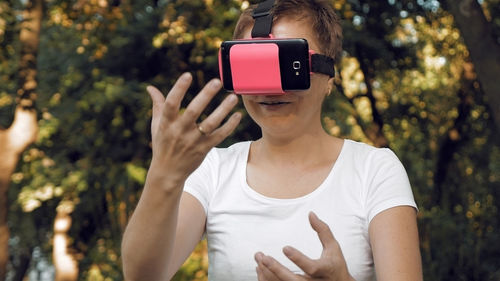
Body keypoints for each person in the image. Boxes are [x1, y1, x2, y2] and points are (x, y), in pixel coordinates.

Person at [121, 1, 423, 280]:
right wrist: (164, 173)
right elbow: (142, 277)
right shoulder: (212, 169)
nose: (271, 90)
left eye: (290, 64)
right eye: (254, 66)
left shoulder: (374, 170)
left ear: (330, 76)